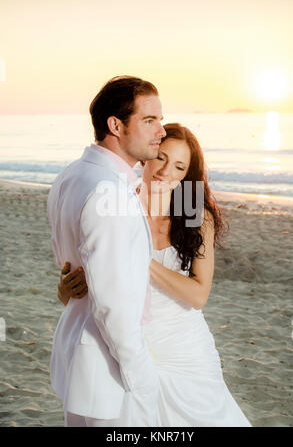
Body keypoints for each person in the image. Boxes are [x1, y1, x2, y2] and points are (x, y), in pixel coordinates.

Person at [58, 123, 252, 427]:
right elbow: (82, 291)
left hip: (184, 350)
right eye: (161, 158)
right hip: (128, 344)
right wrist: (66, 289)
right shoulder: (117, 206)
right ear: (147, 155)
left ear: (187, 175)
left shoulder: (194, 217)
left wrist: (138, 258)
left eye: (179, 166)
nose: (166, 172)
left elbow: (198, 295)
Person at [47, 75, 166, 427]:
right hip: (107, 367)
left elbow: (68, 267)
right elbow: (112, 302)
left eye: (160, 119)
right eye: (149, 120)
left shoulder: (70, 175)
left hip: (78, 350)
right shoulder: (108, 192)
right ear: (116, 125)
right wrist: (141, 375)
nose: (161, 130)